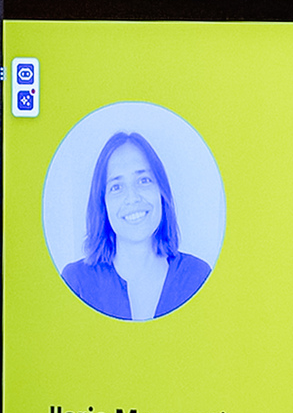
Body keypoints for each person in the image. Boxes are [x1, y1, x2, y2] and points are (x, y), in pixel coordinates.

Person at [62, 132, 211, 320]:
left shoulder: (197, 277)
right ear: (103, 204)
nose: (132, 198)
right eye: (116, 187)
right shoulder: (76, 283)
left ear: (161, 192)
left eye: (144, 180)